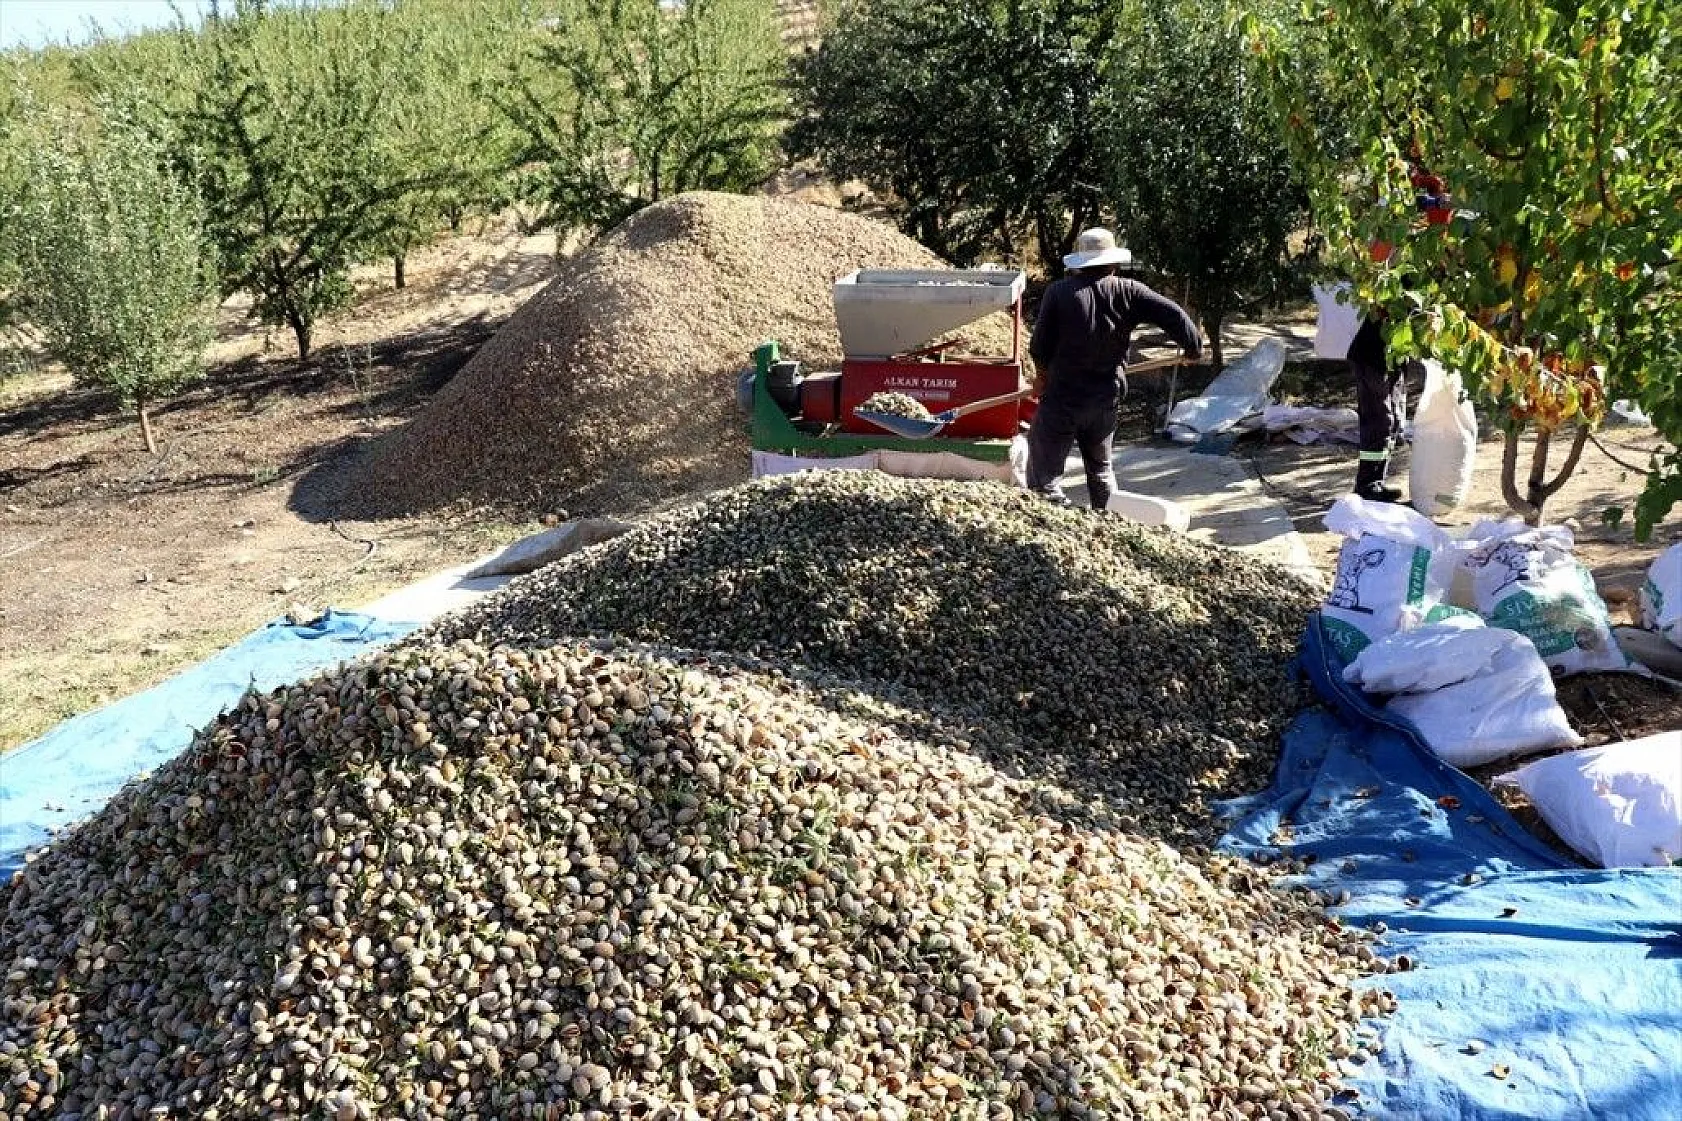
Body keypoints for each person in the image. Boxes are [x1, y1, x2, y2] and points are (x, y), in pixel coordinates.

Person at [1026, 227, 1203, 510]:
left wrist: (1040, 380)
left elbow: (1040, 347)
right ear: (1114, 263)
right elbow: (1172, 313)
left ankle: (1050, 521)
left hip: (1063, 398)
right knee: (1101, 469)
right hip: (1105, 397)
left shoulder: (1058, 293)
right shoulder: (1129, 291)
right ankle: (1110, 519)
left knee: (1044, 477)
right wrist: (1193, 346)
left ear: (1079, 264)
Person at [1344, 158, 1453, 504]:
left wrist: (1436, 204)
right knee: (1383, 421)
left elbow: (1437, 239)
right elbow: (1382, 252)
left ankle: (1371, 484)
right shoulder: (1395, 290)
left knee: (1387, 421)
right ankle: (1368, 487)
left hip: (1381, 357)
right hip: (1374, 357)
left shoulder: (1411, 286)